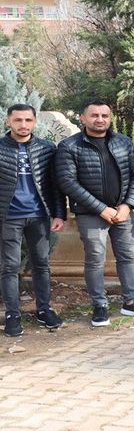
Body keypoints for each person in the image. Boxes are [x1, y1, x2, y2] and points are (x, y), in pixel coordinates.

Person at [56, 99, 134, 325]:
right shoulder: (69, 146)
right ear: (82, 118)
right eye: (94, 115)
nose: (100, 119)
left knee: (126, 257)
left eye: (104, 115)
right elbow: (68, 182)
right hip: (90, 214)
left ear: (110, 118)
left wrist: (127, 205)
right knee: (95, 259)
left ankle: (131, 302)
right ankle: (99, 305)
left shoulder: (123, 142)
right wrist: (101, 208)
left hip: (123, 212)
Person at [1, 105, 66, 337]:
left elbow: (55, 185)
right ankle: (12, 315)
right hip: (8, 218)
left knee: (41, 265)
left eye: (28, 120)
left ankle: (44, 309)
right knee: (9, 267)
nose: (23, 124)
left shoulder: (46, 148)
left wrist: (59, 214)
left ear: (35, 122)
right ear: (8, 121)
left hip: (39, 216)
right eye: (18, 120)